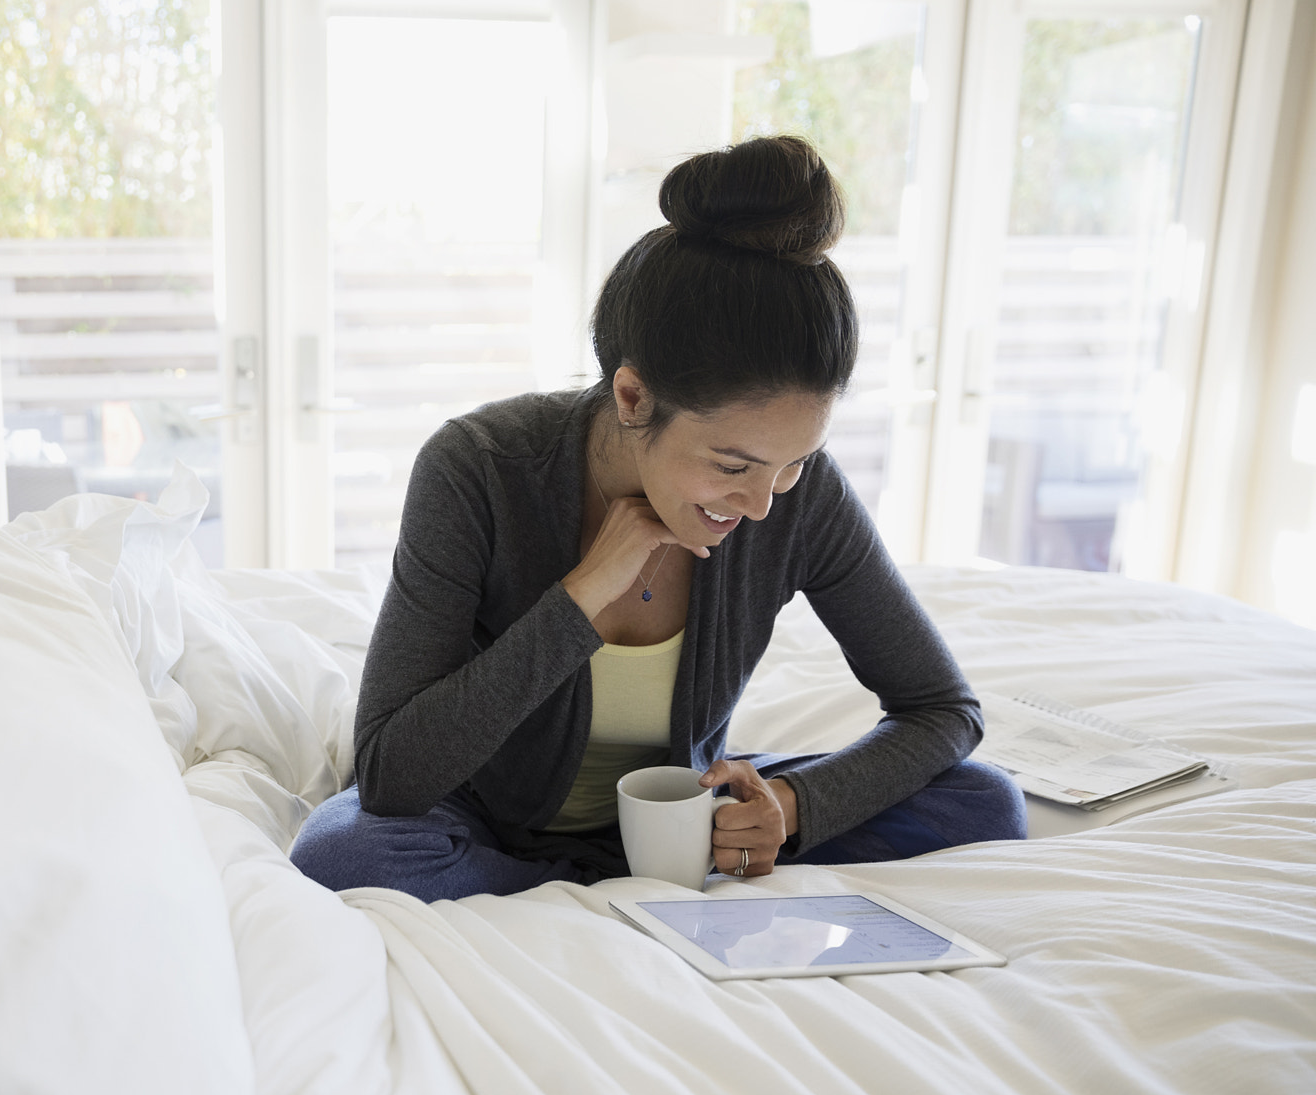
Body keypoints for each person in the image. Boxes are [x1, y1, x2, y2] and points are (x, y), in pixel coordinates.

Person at [290, 136, 1026, 903]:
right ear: (634, 397)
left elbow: (942, 709)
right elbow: (390, 772)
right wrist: (582, 595)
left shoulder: (799, 498)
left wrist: (792, 809)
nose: (765, 503)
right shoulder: (477, 468)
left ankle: (582, 890)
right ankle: (590, 893)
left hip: (684, 820)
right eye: (733, 465)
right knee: (344, 854)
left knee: (985, 799)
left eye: (796, 462)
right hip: (485, 819)